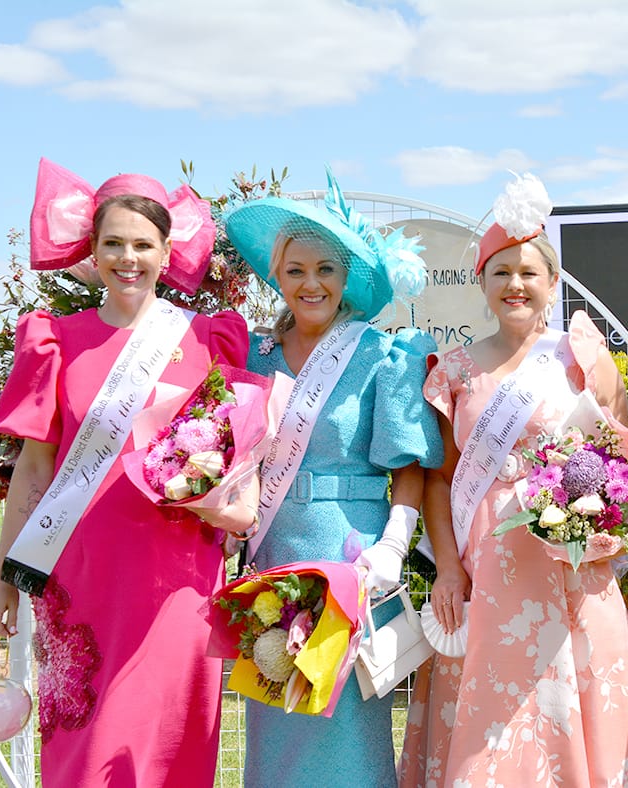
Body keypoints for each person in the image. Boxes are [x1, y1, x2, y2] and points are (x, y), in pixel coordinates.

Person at [0, 158, 255, 786]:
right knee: (88, 741)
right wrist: (5, 576)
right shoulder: (54, 340)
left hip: (180, 573)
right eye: (113, 243)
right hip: (80, 569)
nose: (127, 258)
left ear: (167, 252)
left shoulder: (209, 339)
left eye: (142, 244)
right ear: (92, 249)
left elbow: (239, 458)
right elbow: (33, 470)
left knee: (171, 738)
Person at [399, 174, 628, 786]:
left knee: (579, 692)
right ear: (482, 282)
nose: (515, 285)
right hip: (487, 563)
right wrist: (446, 565)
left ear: (551, 282)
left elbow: (617, 460)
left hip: (570, 560)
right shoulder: (456, 369)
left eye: (529, 272)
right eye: (501, 272)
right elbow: (439, 480)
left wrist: (602, 526)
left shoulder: (580, 356)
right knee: (492, 712)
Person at [224, 168, 443, 787]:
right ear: (277, 277)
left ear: (347, 276)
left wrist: (394, 547)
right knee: (276, 709)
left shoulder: (382, 353)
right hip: (273, 552)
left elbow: (407, 469)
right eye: (295, 270)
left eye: (325, 268)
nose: (311, 283)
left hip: (353, 559)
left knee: (348, 722)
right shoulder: (253, 357)